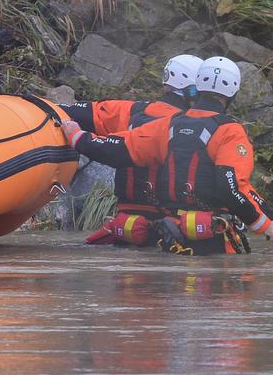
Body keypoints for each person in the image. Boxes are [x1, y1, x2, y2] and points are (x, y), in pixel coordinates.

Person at [62, 56, 273, 254]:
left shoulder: (166, 125)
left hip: (170, 238)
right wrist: (265, 225)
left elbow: (119, 149)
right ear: (234, 92)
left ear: (197, 87)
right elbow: (233, 188)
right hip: (211, 241)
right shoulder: (229, 132)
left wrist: (77, 137)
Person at [59, 54, 204, 246]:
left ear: (166, 83)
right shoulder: (199, 127)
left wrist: (68, 126)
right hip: (174, 230)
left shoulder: (132, 111)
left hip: (129, 227)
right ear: (195, 90)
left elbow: (78, 112)